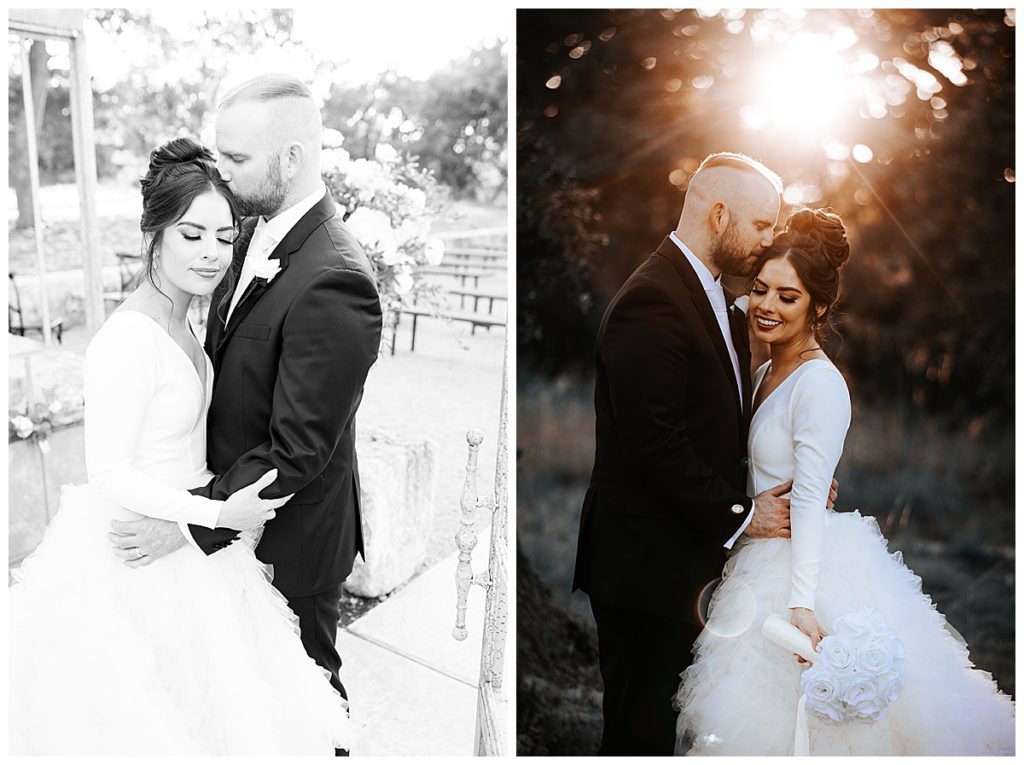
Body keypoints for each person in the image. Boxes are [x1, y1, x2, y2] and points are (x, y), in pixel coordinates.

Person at [10, 138, 352, 754]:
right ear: (155, 235)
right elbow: (107, 470)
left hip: (194, 548)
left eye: (224, 238)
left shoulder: (187, 317)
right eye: (191, 235)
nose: (211, 254)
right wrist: (217, 515)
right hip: (140, 550)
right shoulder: (127, 339)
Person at [105, 76, 383, 757]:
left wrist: (189, 520)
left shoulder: (335, 278)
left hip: (291, 542)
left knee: (307, 704)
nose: (219, 174)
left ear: (290, 160)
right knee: (244, 707)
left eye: (236, 161)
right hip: (229, 521)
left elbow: (296, 449)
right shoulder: (250, 235)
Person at [674, 208, 1015, 755]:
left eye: (789, 297)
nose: (766, 306)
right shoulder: (765, 369)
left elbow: (809, 496)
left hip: (793, 567)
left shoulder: (821, 384)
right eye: (760, 290)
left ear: (819, 306)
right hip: (752, 551)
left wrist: (803, 605)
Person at [571, 152, 835, 755]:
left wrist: (793, 477)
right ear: (720, 215)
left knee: (674, 729)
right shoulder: (654, 299)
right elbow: (654, 444)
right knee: (639, 735)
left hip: (683, 562)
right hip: (645, 567)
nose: (772, 238)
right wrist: (744, 516)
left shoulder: (711, 292)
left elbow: (718, 421)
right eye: (764, 224)